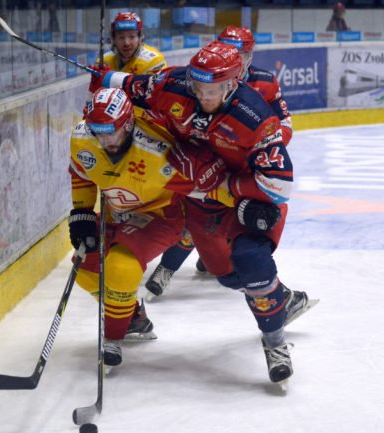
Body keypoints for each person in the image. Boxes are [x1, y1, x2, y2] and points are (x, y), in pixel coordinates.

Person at [88, 41, 317, 387]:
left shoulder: (255, 118)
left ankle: (275, 344)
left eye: (210, 90)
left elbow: (280, 185)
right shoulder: (176, 85)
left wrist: (225, 184)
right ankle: (280, 298)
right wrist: (102, 78)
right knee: (226, 275)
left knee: (250, 259)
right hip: (201, 204)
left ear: (231, 84)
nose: (201, 96)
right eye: (197, 87)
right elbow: (131, 85)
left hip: (247, 200)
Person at [144, 26, 294, 301]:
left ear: (248, 55)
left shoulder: (265, 83)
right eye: (229, 51)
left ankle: (268, 290)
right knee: (191, 214)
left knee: (227, 223)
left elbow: (284, 128)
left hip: (239, 167)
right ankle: (171, 266)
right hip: (202, 161)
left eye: (241, 52)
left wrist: (250, 143)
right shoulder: (201, 83)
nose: (235, 56)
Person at [68, 87, 203, 368]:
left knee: (120, 268)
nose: (104, 139)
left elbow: (202, 187)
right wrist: (81, 212)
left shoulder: (158, 151)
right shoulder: (84, 138)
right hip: (115, 213)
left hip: (159, 216)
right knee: (84, 269)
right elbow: (82, 173)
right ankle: (132, 318)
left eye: (111, 131)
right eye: (98, 131)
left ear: (128, 124)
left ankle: (113, 337)